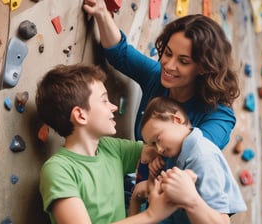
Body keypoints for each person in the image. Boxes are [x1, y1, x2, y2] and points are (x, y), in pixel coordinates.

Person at [83, 0, 240, 205]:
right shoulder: (157, 78)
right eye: (167, 53)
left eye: (183, 61)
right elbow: (120, 54)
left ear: (204, 67)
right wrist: (102, 14)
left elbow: (195, 157)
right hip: (138, 191)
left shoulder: (219, 116)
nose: (169, 65)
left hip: (173, 205)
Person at [35, 64, 180, 224]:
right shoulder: (58, 170)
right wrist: (152, 215)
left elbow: (157, 149)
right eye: (104, 100)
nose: (114, 107)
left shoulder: (110, 148)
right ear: (80, 115)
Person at [131, 96, 247, 224]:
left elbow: (221, 221)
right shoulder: (175, 152)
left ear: (177, 120)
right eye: (152, 144)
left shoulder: (202, 158)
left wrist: (190, 199)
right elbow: (160, 203)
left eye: (158, 138)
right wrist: (154, 177)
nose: (158, 149)